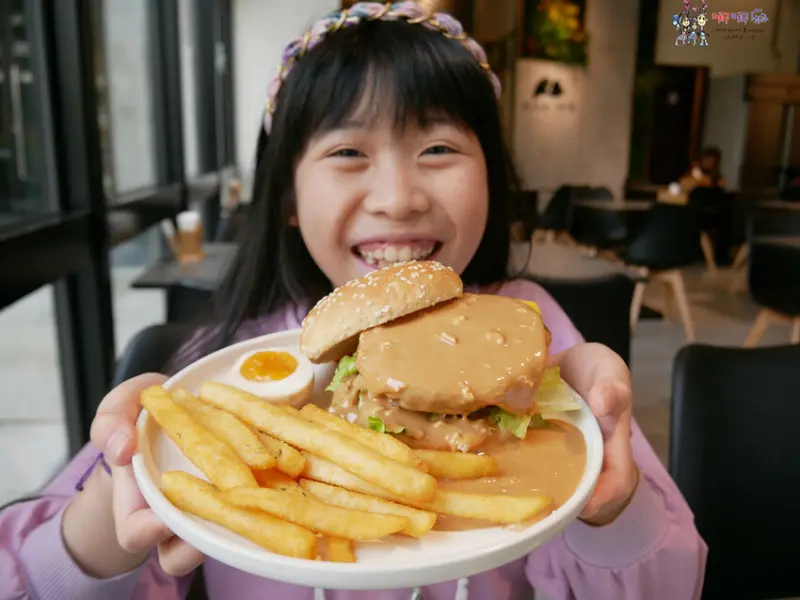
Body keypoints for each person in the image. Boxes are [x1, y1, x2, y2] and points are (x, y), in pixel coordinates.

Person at [1, 3, 707, 599]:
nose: (399, 198)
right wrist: (122, 500)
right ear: (285, 197)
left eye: (438, 148)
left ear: (494, 177)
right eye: (347, 154)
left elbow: (673, 580)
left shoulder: (533, 328)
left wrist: (609, 504)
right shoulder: (224, 370)